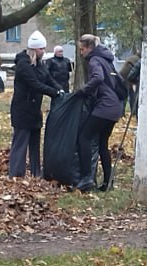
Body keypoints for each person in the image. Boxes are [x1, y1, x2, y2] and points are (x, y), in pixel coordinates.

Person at [72, 34, 125, 192]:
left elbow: (97, 78)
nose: (81, 53)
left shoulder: (94, 60)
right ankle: (108, 181)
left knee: (84, 136)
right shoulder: (106, 59)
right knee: (102, 144)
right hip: (115, 107)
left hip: (105, 107)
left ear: (89, 48)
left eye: (82, 50)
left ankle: (87, 177)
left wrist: (83, 91)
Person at [8, 30, 63, 177]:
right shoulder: (23, 65)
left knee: (34, 143)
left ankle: (36, 173)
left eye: (44, 48)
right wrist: (54, 92)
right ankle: (16, 174)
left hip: (34, 110)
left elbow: (48, 79)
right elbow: (35, 84)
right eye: (41, 49)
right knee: (20, 143)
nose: (43, 51)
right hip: (22, 109)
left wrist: (60, 89)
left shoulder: (40, 64)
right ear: (34, 49)